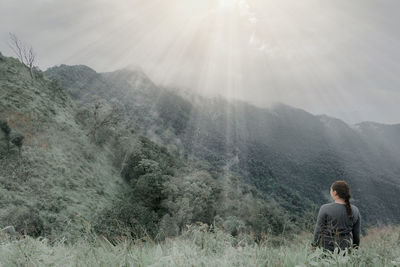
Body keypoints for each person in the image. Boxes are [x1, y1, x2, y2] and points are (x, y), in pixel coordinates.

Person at [311, 180, 361, 253]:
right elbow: (356, 234)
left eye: (330, 190)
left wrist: (314, 245)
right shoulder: (355, 210)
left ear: (334, 192)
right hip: (345, 248)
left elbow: (318, 230)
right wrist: (355, 248)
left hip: (326, 248)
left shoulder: (325, 208)